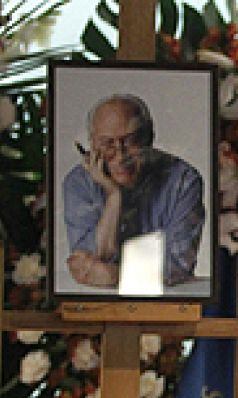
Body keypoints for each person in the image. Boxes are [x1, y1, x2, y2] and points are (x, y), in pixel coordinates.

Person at [63, 94, 205, 289]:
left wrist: (116, 276)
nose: (120, 156)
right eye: (108, 144)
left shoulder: (183, 180)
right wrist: (114, 196)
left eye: (130, 141)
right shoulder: (78, 182)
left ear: (149, 137)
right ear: (92, 144)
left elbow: (178, 264)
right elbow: (87, 262)